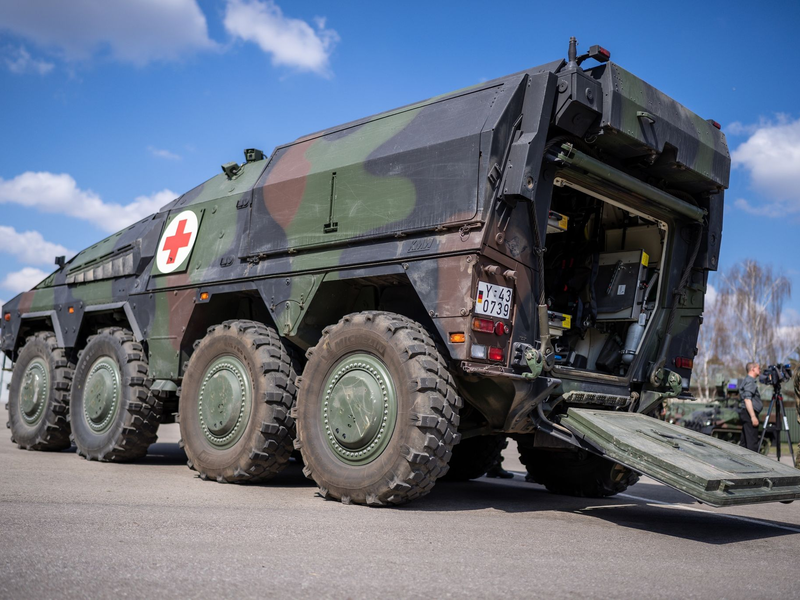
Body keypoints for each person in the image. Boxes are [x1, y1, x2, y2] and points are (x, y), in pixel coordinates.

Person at [739, 362, 763, 452]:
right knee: (752, 445)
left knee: (744, 443)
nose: (760, 370)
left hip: (747, 413)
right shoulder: (750, 381)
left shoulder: (746, 380)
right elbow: (747, 399)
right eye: (758, 368)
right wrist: (753, 416)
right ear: (753, 369)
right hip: (749, 414)